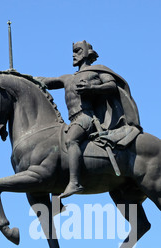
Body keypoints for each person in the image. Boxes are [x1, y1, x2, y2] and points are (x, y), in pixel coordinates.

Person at [35, 40, 140, 198]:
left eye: (77, 51)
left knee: (71, 140)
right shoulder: (67, 78)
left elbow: (111, 86)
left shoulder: (97, 71)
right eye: (73, 52)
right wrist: (21, 77)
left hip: (87, 117)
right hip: (73, 119)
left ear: (87, 54)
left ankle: (75, 183)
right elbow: (45, 82)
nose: (73, 55)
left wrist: (93, 88)